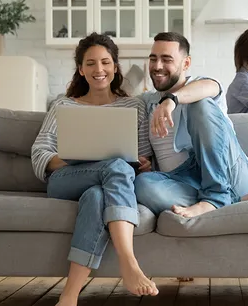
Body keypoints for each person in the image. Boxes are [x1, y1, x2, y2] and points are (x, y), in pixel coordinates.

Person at [31, 32, 159, 305]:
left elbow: (143, 157)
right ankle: (129, 263)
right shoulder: (63, 106)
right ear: (81, 69)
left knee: (96, 196)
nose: (98, 70)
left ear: (115, 67)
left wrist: (144, 163)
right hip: (66, 179)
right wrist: (73, 157)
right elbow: (39, 153)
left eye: (105, 62)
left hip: (108, 184)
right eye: (90, 63)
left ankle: (69, 296)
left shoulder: (134, 106)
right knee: (114, 166)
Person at [134, 32, 248, 219]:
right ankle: (234, 200)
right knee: (142, 184)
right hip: (184, 180)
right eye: (153, 59)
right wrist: (145, 164)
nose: (157, 66)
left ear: (186, 63)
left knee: (200, 103)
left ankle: (216, 196)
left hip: (230, 172)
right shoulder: (147, 102)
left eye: (166, 59)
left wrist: (172, 100)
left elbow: (208, 88)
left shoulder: (202, 85)